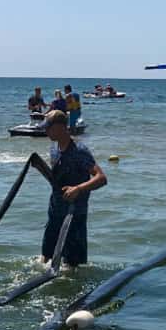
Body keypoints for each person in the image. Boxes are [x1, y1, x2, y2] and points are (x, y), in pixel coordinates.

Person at [40, 110, 107, 269]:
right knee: (45, 259)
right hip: (55, 211)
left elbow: (101, 178)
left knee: (71, 267)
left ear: (60, 127)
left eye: (48, 127)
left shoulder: (79, 151)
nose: (45, 131)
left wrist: (78, 189)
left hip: (74, 216)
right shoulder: (54, 148)